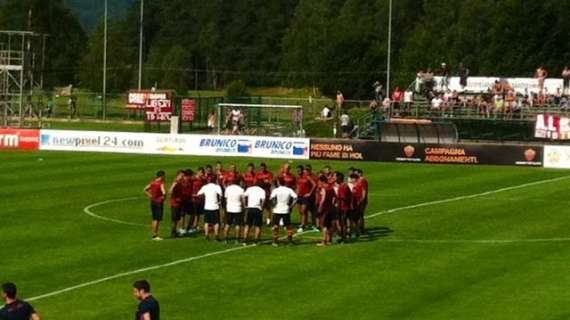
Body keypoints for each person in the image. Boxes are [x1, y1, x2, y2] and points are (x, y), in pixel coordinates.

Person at [270, 178, 298, 246]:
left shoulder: (275, 190)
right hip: (286, 210)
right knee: (288, 226)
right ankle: (290, 241)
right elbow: (296, 198)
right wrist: (291, 206)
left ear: (278, 182)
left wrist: (273, 205)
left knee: (275, 226)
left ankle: (275, 241)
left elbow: (271, 199)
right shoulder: (289, 190)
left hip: (277, 210)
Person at [197, 175, 223, 241]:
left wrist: (204, 196)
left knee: (206, 222)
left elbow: (198, 194)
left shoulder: (205, 187)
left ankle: (206, 235)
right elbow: (221, 194)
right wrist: (219, 201)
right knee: (216, 222)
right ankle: (216, 235)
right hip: (215, 207)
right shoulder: (217, 187)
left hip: (207, 207)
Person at [144, 171, 166, 241]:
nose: (165, 178)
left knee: (154, 219)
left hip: (153, 202)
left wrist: (150, 195)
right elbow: (164, 192)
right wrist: (163, 198)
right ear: (161, 176)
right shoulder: (161, 184)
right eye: (164, 176)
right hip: (159, 203)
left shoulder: (152, 182)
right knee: (157, 219)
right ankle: (155, 235)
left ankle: (154, 234)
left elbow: (145, 189)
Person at [243, 181, 267, 245]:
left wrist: (245, 205)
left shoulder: (249, 188)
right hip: (257, 208)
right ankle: (256, 241)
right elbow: (264, 199)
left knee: (248, 225)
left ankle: (245, 240)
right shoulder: (262, 190)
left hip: (250, 208)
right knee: (258, 226)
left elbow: (244, 196)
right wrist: (262, 207)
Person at [317, 175, 337, 247]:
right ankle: (329, 240)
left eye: (319, 181)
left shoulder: (324, 188)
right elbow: (335, 197)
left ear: (322, 181)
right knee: (329, 225)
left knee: (324, 225)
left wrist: (320, 207)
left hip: (325, 209)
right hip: (331, 208)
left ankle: (324, 241)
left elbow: (323, 199)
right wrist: (332, 204)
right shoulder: (331, 188)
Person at [296, 165, 316, 232]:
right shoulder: (298, 177)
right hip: (299, 196)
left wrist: (309, 193)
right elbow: (298, 186)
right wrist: (296, 193)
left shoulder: (307, 177)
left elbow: (314, 184)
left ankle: (302, 226)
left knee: (304, 211)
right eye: (297, 170)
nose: (298, 171)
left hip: (305, 197)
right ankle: (304, 223)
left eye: (300, 170)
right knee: (300, 212)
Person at [335, 172, 352, 243]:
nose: (336, 179)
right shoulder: (343, 185)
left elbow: (344, 197)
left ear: (340, 178)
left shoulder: (343, 186)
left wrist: (338, 199)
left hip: (343, 208)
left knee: (343, 223)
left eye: (336, 178)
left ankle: (344, 238)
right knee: (341, 223)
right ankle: (343, 237)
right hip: (342, 207)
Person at [187, 168, 206, 233]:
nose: (202, 174)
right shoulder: (193, 179)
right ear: (198, 172)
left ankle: (195, 226)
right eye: (201, 172)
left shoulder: (202, 179)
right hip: (194, 199)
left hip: (200, 199)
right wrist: (192, 195)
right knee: (193, 214)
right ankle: (189, 228)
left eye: (202, 173)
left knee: (198, 214)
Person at [168, 170, 185, 238]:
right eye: (182, 175)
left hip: (178, 203)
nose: (183, 177)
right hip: (175, 203)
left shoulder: (180, 182)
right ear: (178, 175)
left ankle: (175, 231)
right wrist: (172, 190)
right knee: (174, 219)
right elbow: (170, 191)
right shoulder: (176, 182)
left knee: (177, 219)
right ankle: (173, 232)